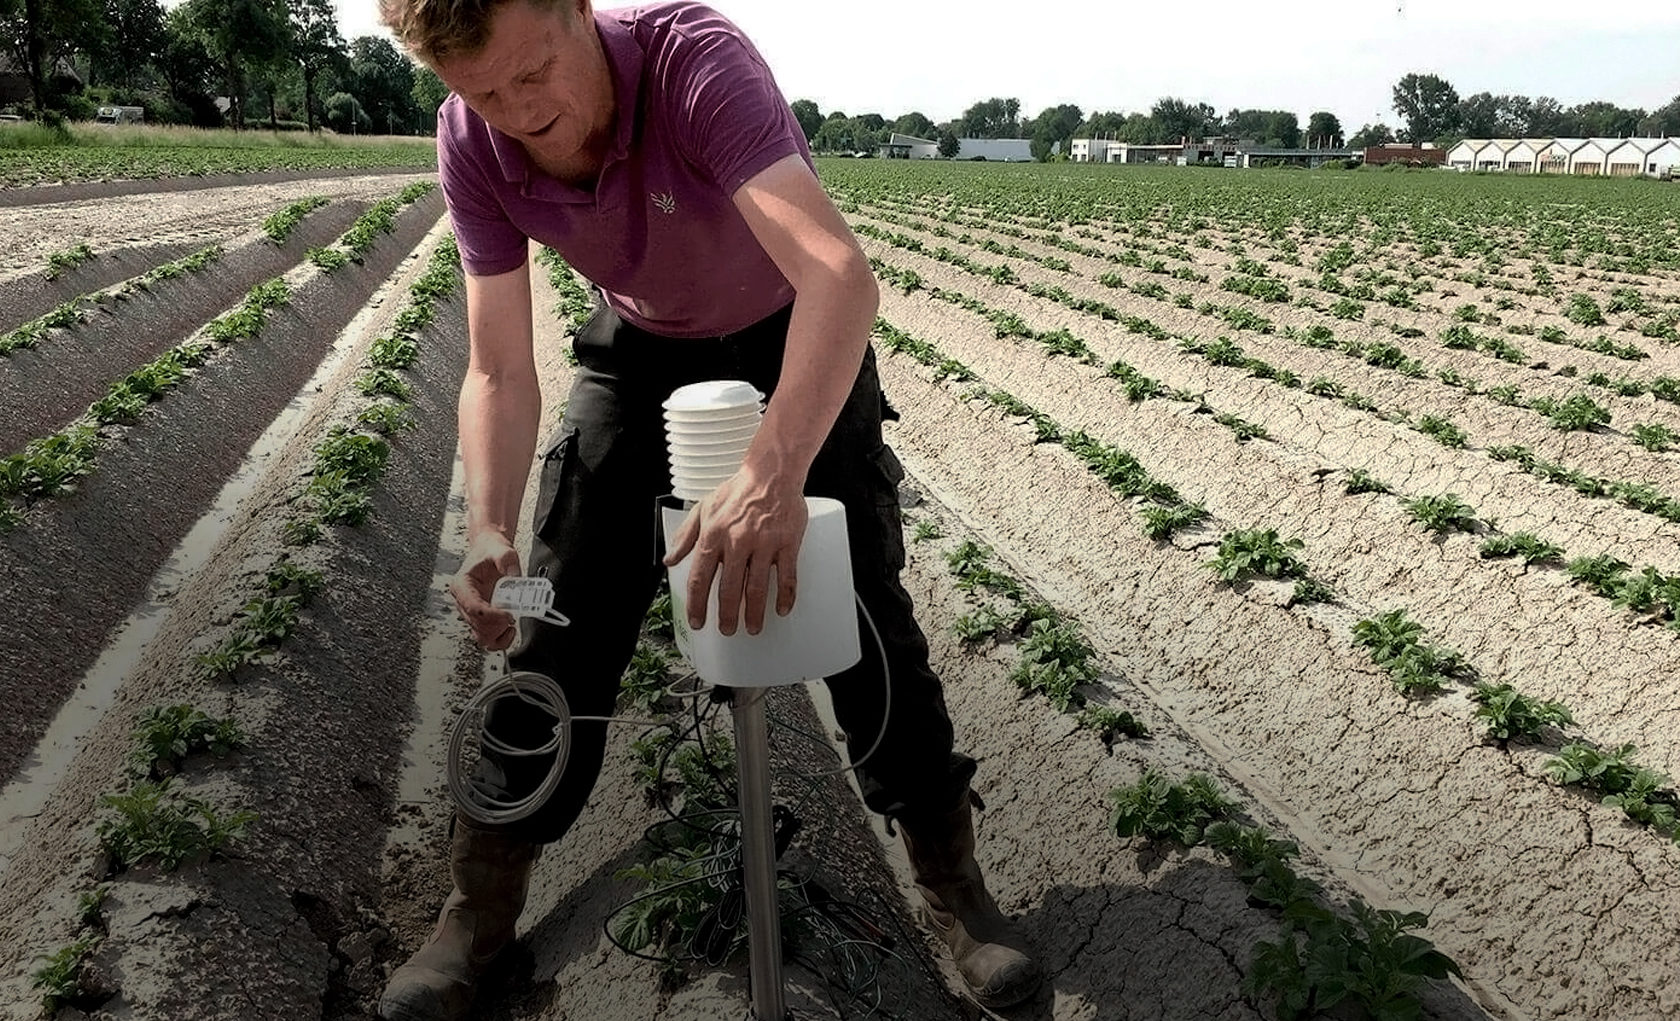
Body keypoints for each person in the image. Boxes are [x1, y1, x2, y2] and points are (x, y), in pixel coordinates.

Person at [374, 1, 1043, 1017]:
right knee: (561, 608)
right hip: (641, 350)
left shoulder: (695, 65)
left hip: (792, 331)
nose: (520, 112)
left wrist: (775, 473)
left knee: (860, 602)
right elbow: (501, 367)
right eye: (483, 92)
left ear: (576, 12)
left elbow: (837, 277)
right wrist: (489, 527)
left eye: (534, 72)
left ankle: (954, 890)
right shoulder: (474, 142)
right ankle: (479, 904)